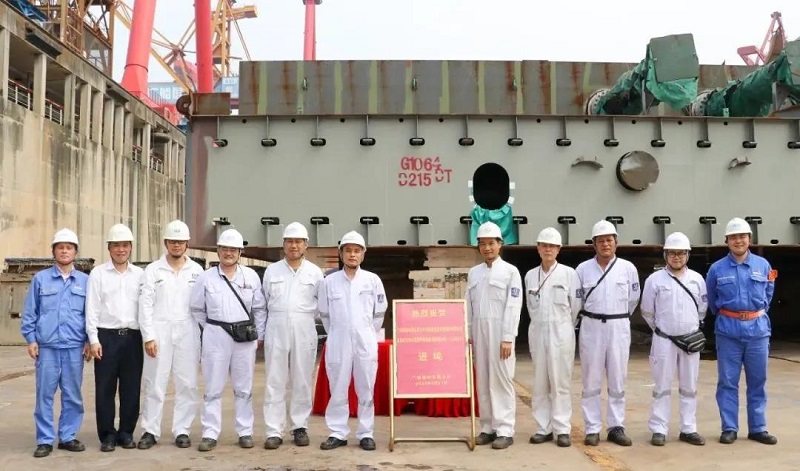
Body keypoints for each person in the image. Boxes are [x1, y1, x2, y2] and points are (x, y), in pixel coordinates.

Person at [190, 228, 267, 452]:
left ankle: (245, 431)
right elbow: (197, 309)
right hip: (216, 335)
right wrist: (212, 329)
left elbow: (260, 308)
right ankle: (210, 433)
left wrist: (259, 335)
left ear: (240, 252)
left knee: (244, 387)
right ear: (218, 251)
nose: (229, 253)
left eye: (233, 249)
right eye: (224, 249)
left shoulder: (250, 277)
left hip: (244, 338)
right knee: (213, 386)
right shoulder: (206, 278)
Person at [706, 217, 777, 445]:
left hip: (758, 332)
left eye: (742, 236)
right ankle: (729, 428)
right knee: (727, 381)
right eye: (733, 237)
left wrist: (753, 314)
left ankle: (758, 428)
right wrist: (732, 316)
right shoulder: (717, 269)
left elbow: (768, 295)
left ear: (749, 239)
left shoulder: (763, 265)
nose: (738, 241)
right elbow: (712, 300)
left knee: (758, 381)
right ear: (726, 241)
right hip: (728, 332)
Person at [20, 228, 91, 458]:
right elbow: (30, 312)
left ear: (75, 252)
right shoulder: (41, 279)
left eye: (69, 247)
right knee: (44, 395)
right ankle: (45, 440)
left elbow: (90, 315)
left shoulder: (85, 281)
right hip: (47, 348)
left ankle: (68, 436)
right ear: (54, 251)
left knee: (72, 395)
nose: (64, 251)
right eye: (60, 247)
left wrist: (89, 340)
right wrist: (31, 339)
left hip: (74, 347)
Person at [137, 220, 205, 450]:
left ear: (187, 244)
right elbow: (145, 305)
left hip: (188, 331)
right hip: (160, 331)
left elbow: (202, 305)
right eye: (173, 241)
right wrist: (148, 336)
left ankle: (182, 430)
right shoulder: (153, 270)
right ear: (166, 242)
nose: (177, 245)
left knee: (187, 383)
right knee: (155, 382)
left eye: (181, 241)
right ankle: (150, 430)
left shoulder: (196, 271)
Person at [317, 231, 387, 451]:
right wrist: (337, 332)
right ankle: (337, 432)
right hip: (338, 340)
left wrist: (367, 333)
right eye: (348, 251)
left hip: (365, 340)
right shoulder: (329, 282)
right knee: (337, 385)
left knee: (366, 386)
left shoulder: (372, 280)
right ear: (341, 254)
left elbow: (379, 312)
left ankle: (366, 433)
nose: (352, 255)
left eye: (357, 251)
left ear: (363, 255)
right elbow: (324, 314)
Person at [576, 220, 640, 447]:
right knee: (591, 379)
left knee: (617, 378)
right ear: (594, 244)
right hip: (591, 326)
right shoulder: (582, 269)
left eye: (609, 240)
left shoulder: (628, 268)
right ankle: (592, 428)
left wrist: (617, 315)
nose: (605, 244)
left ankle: (616, 427)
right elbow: (577, 300)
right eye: (601, 241)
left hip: (618, 325)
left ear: (616, 242)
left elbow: (633, 300)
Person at [640, 232, 707, 447]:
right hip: (664, 341)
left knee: (689, 386)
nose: (676, 257)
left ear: (687, 255)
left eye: (681, 253)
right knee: (662, 386)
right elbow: (647, 311)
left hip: (690, 341)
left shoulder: (697, 279)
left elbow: (702, 309)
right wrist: (663, 331)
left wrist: (689, 328)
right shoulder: (654, 280)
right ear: (665, 255)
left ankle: (688, 429)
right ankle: (659, 429)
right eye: (672, 253)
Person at [261, 222, 324, 449]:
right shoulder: (272, 271)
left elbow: (322, 305)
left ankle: (300, 427)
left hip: (304, 325)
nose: (293, 245)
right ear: (283, 244)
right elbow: (264, 302)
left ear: (306, 245)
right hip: (276, 325)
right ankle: (274, 430)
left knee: (302, 378)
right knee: (274, 379)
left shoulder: (315, 273)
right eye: (289, 241)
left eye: (298, 241)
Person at [86, 224, 144, 451]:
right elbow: (92, 308)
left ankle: (126, 433)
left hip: (132, 338)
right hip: (106, 337)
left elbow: (146, 308)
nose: (121, 250)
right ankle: (108, 435)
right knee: (105, 389)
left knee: (131, 388)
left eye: (125, 245)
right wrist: (93, 339)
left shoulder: (140, 275)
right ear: (109, 248)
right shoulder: (98, 274)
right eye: (116, 245)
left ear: (131, 247)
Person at [466, 221, 523, 450]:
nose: (487, 248)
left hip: (500, 332)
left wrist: (508, 337)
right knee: (483, 380)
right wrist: (468, 333)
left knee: (501, 380)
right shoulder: (474, 273)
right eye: (482, 244)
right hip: (479, 332)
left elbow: (514, 306)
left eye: (491, 243)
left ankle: (505, 430)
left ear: (500, 244)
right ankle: (487, 427)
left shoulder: (510, 271)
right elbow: (468, 305)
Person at [524, 227, 581, 448]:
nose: (548, 249)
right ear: (538, 248)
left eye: (552, 246)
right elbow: (530, 306)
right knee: (540, 383)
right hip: (538, 330)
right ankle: (543, 428)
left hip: (561, 330)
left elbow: (575, 306)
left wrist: (564, 325)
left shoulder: (569, 274)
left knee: (560, 382)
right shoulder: (530, 275)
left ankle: (562, 428)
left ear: (559, 249)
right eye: (544, 245)